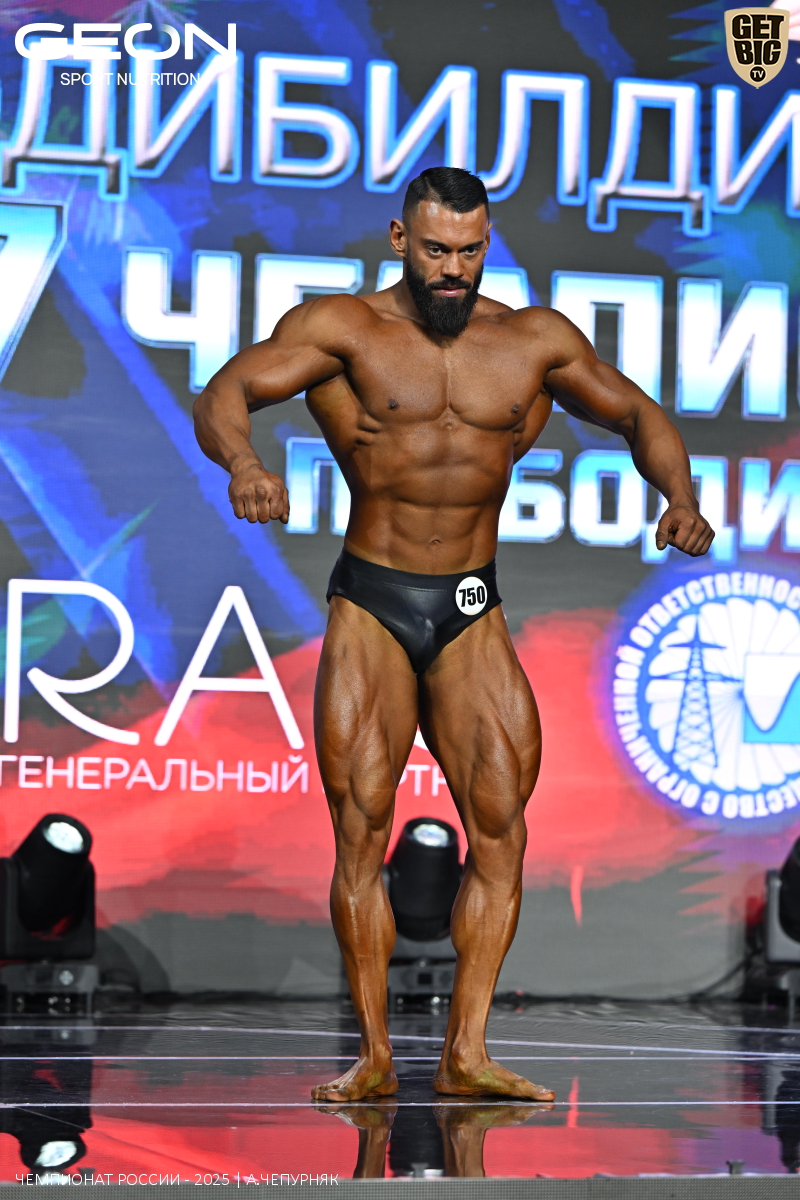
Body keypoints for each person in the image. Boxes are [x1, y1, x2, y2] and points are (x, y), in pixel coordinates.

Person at [193, 166, 714, 1103]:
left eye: (470, 253)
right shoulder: (343, 329)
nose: (453, 270)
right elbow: (226, 390)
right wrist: (243, 462)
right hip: (373, 601)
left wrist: (679, 496)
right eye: (437, 250)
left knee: (502, 829)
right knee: (363, 828)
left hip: (472, 605)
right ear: (401, 239)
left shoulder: (532, 341)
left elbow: (637, 412)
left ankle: (466, 1051)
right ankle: (374, 1055)